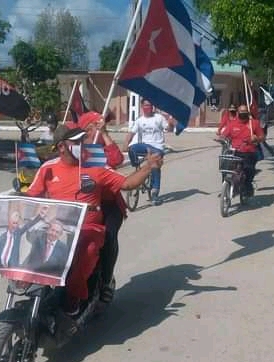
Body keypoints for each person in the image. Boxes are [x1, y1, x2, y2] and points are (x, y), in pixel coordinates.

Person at [26, 127, 162, 317]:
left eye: (82, 141)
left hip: (88, 228)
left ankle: (74, 298)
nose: (81, 145)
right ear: (61, 147)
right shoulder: (47, 169)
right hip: (55, 226)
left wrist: (148, 167)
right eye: (75, 142)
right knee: (29, 244)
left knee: (86, 250)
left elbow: (127, 184)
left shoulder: (95, 168)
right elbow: (30, 196)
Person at [76, 112, 127, 301]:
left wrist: (105, 134)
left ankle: (105, 281)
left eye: (98, 126)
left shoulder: (100, 150)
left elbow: (116, 160)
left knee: (108, 237)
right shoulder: (76, 148)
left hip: (108, 205)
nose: (94, 130)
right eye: (92, 126)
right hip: (83, 202)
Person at [124, 100, 174, 206]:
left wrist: (171, 123)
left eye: (150, 105)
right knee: (131, 148)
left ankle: (155, 192)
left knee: (155, 166)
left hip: (157, 147)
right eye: (146, 105)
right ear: (142, 106)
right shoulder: (139, 120)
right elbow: (131, 133)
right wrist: (125, 144)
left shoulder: (159, 118)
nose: (148, 107)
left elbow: (169, 129)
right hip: (144, 146)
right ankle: (137, 168)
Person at [219, 104, 264, 197]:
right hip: (235, 152)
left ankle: (248, 186)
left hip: (249, 152)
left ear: (248, 113)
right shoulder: (233, 124)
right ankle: (226, 188)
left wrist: (256, 138)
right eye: (241, 113)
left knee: (249, 171)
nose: (243, 114)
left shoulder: (254, 123)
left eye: (245, 113)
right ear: (237, 113)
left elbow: (262, 137)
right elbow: (224, 135)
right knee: (225, 168)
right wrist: (222, 139)